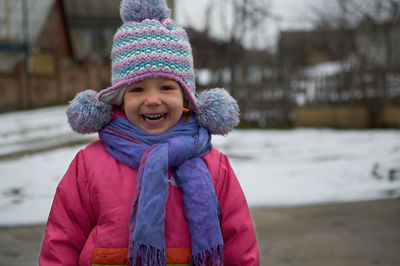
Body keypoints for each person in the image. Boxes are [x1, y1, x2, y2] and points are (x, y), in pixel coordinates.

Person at [39, 0, 259, 265]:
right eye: (137, 89)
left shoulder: (214, 166)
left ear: (186, 98)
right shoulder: (89, 165)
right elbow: (62, 240)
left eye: (166, 87)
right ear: (120, 98)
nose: (152, 100)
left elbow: (239, 242)